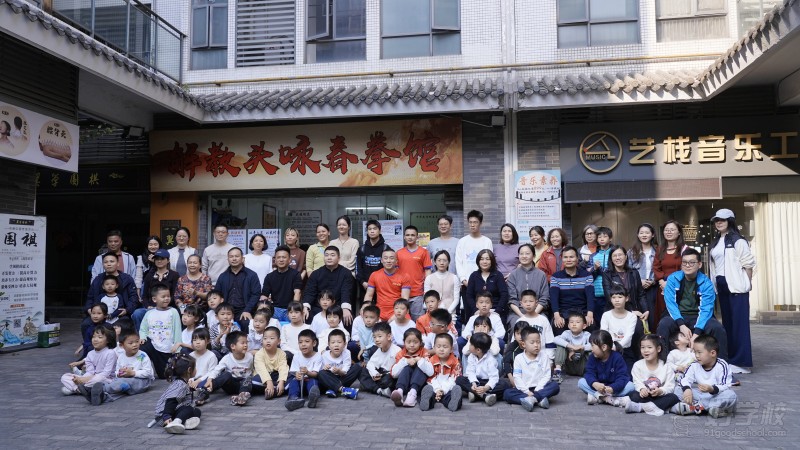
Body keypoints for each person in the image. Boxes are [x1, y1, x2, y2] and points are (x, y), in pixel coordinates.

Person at [656, 248, 729, 363]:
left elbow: (706, 309)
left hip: (699, 316)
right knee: (664, 325)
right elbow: (670, 304)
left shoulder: (706, 282)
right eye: (684, 262)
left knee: (717, 328)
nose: (687, 265)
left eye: (691, 262)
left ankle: (722, 365)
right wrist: (681, 324)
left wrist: (697, 333)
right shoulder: (673, 279)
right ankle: (662, 363)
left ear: (699, 264)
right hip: (677, 315)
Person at [709, 208, 756, 374]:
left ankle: (742, 363)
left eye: (722, 220)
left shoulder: (738, 240)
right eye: (717, 220)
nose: (719, 223)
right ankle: (731, 359)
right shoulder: (716, 242)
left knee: (739, 326)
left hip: (736, 287)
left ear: (730, 221)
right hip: (722, 286)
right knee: (727, 324)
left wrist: (746, 284)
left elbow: (748, 264)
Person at [617, 334, 680, 416]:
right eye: (643, 347)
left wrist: (660, 391)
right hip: (645, 396)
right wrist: (642, 389)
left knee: (673, 397)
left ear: (658, 349)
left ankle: (642, 407)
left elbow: (670, 386)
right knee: (633, 395)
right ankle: (660, 407)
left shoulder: (666, 366)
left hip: (660, 395)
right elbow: (637, 382)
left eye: (649, 347)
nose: (645, 350)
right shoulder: (637, 365)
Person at [676, 335, 737, 418]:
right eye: (695, 352)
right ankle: (711, 409)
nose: (696, 355)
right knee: (678, 389)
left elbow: (725, 385)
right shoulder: (694, 365)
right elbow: (685, 379)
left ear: (712, 353)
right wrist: (687, 390)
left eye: (699, 352)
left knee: (731, 395)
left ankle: (696, 408)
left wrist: (712, 389)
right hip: (700, 395)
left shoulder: (722, 365)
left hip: (716, 396)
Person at [83, 252, 138, 339]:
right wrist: (89, 309)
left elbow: (133, 297)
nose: (108, 264)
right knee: (86, 324)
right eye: (106, 262)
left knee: (124, 325)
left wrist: (127, 310)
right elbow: (90, 297)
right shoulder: (98, 279)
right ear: (103, 264)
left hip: (120, 315)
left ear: (118, 263)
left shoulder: (127, 279)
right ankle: (90, 346)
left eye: (112, 261)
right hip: (98, 314)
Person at [503, 327, 560, 411]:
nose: (536, 345)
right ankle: (538, 400)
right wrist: (526, 391)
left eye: (538, 342)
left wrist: (537, 390)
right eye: (532, 342)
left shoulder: (544, 356)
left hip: (540, 388)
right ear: (523, 344)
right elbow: (517, 377)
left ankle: (533, 399)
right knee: (507, 393)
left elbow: (547, 375)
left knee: (555, 386)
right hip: (524, 390)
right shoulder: (519, 358)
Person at [61, 325, 117, 405]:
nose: (95, 339)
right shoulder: (90, 353)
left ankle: (80, 389)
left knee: (98, 379)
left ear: (108, 340)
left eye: (100, 337)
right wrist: (82, 379)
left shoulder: (110, 353)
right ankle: (80, 390)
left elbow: (106, 373)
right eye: (94, 337)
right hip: (89, 379)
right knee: (65, 377)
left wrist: (84, 380)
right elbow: (90, 371)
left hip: (106, 379)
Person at [199, 330, 254, 406]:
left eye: (246, 343)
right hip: (231, 384)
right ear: (233, 346)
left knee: (248, 379)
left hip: (245, 385)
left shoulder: (250, 357)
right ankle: (205, 393)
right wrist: (210, 379)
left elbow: (253, 371)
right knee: (226, 374)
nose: (245, 345)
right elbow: (217, 370)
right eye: (242, 343)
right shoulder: (226, 358)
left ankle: (241, 397)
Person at [578, 330, 634, 405]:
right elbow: (589, 373)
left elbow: (622, 377)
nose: (591, 349)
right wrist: (594, 383)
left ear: (604, 347)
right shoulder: (592, 357)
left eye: (593, 346)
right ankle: (610, 399)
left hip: (613, 389)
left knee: (631, 386)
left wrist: (613, 388)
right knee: (581, 382)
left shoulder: (617, 358)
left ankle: (598, 397)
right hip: (598, 388)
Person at [302, 246, 354, 325]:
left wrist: (345, 308)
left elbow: (346, 292)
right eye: (326, 255)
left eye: (332, 255)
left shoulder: (346, 273)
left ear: (338, 258)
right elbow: (310, 292)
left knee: (347, 318)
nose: (329, 258)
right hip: (319, 307)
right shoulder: (316, 273)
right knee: (306, 315)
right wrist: (305, 306)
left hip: (337, 307)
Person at [549, 246, 596, 334]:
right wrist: (557, 316)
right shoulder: (556, 277)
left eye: (571, 257)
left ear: (577, 258)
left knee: (591, 324)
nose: (568, 260)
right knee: (557, 325)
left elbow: (590, 297)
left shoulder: (587, 275)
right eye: (565, 257)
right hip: (563, 313)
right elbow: (554, 299)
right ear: (562, 259)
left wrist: (589, 314)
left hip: (582, 312)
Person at [139, 284, 182, 379]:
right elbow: (143, 328)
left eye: (168, 296)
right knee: (142, 348)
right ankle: (141, 370)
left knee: (164, 375)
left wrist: (177, 346)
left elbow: (177, 330)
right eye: (163, 296)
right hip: (153, 344)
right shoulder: (149, 313)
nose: (166, 298)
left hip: (167, 347)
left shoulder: (173, 312)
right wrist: (142, 337)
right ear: (154, 299)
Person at [215, 247, 262, 333]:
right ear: (228, 259)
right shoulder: (223, 276)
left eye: (237, 256)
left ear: (243, 259)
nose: (234, 259)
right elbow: (217, 294)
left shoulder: (251, 275)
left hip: (244, 309)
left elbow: (256, 294)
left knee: (246, 323)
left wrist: (247, 310)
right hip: (226, 310)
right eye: (231, 256)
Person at [456, 332, 509, 406]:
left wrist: (486, 388)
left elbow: (494, 377)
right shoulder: (471, 356)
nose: (469, 346)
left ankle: (475, 394)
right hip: (476, 381)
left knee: (504, 384)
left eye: (471, 344)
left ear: (478, 350)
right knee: (459, 379)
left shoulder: (491, 359)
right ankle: (485, 396)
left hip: (487, 382)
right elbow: (470, 372)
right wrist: (473, 383)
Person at [154, 354, 202, 434]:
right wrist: (166, 416)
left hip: (173, 410)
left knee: (197, 411)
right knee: (189, 409)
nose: (196, 369)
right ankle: (176, 422)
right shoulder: (180, 385)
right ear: (189, 370)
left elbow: (184, 396)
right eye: (195, 368)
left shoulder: (182, 381)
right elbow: (171, 401)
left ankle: (184, 423)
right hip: (164, 415)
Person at [102, 329, 155, 402]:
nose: (135, 345)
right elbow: (116, 371)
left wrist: (133, 373)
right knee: (120, 386)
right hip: (125, 381)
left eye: (137, 341)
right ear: (122, 345)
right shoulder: (121, 357)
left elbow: (148, 373)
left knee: (123, 383)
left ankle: (103, 388)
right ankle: (103, 397)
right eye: (131, 343)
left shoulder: (143, 355)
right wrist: (119, 374)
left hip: (142, 381)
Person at [506, 244, 550, 329]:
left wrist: (534, 314)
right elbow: (512, 299)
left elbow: (544, 298)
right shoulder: (513, 275)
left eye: (527, 253)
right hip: (517, 312)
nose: (524, 256)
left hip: (538, 311)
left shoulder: (541, 275)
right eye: (521, 254)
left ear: (533, 256)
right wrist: (523, 316)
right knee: (516, 325)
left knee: (542, 324)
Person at [134, 249, 179, 330]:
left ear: (168, 260)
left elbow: (174, 295)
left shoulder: (174, 275)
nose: (159, 261)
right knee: (137, 313)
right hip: (151, 307)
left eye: (162, 259)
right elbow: (144, 296)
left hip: (168, 306)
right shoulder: (149, 275)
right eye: (157, 259)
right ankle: (141, 335)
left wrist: (164, 305)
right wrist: (148, 306)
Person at [417, 333, 463, 412]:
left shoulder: (455, 362)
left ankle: (452, 403)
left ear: (451, 349)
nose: (441, 349)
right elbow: (430, 378)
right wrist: (437, 389)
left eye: (445, 347)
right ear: (434, 348)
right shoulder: (431, 360)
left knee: (452, 395)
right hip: (434, 388)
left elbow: (454, 379)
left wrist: (443, 390)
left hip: (448, 389)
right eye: (438, 347)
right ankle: (426, 402)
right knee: (428, 393)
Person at [653, 220, 686, 325]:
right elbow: (656, 267)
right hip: (663, 286)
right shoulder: (660, 249)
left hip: (680, 285)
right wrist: (661, 282)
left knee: (678, 313)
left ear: (679, 232)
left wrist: (672, 282)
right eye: (666, 230)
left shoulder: (684, 249)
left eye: (672, 230)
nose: (669, 232)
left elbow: (687, 268)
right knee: (663, 314)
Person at [363, 248, 411, 321]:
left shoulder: (405, 276)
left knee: (409, 324)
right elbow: (369, 295)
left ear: (396, 261)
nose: (388, 261)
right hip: (379, 311)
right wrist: (365, 308)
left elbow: (404, 299)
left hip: (398, 310)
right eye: (385, 258)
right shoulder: (374, 275)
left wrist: (396, 315)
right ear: (381, 260)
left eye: (391, 258)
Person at [396, 225, 432, 320]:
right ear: (404, 237)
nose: (410, 237)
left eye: (412, 235)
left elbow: (427, 271)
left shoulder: (424, 252)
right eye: (407, 235)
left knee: (418, 321)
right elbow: (395, 273)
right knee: (402, 320)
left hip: (418, 294)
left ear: (417, 237)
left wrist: (427, 290)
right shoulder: (398, 253)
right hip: (401, 293)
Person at [600, 285, 639, 373]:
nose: (617, 300)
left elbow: (629, 335)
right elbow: (604, 333)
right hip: (609, 350)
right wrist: (611, 347)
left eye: (620, 297)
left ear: (627, 298)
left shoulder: (632, 316)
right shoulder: (606, 315)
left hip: (625, 351)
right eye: (614, 297)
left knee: (628, 375)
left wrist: (618, 347)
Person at [627, 223, 658, 331]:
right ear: (638, 235)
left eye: (647, 233)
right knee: (638, 318)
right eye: (641, 233)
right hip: (637, 289)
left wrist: (653, 281)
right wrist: (640, 281)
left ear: (652, 235)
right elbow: (628, 270)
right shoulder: (631, 252)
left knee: (653, 316)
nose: (644, 235)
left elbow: (660, 269)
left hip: (653, 288)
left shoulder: (658, 251)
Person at [261, 245, 302, 324]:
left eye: (284, 257)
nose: (281, 260)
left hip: (289, 309)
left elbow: (297, 293)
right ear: (275, 260)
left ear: (289, 260)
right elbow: (264, 296)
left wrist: (293, 310)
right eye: (278, 257)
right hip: (274, 309)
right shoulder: (269, 276)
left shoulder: (295, 274)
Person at [284, 329, 323, 411]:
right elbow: (293, 371)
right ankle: (293, 398)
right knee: (293, 381)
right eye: (300, 342)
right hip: (300, 382)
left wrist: (307, 372)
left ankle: (312, 398)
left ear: (314, 343)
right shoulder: (297, 355)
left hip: (310, 380)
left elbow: (316, 374)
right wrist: (297, 374)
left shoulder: (318, 356)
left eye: (307, 341)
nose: (303, 344)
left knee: (313, 382)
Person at [358, 322, 400, 397]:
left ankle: (370, 386)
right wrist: (374, 374)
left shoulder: (397, 351)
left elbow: (398, 371)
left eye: (380, 336)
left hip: (390, 375)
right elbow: (370, 364)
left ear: (389, 336)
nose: (376, 340)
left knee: (388, 380)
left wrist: (385, 374)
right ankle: (379, 390)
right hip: (380, 374)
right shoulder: (378, 350)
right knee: (362, 371)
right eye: (374, 337)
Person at [465, 249, 509, 319]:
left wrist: (497, 311)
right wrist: (475, 310)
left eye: (487, 259)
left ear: (492, 261)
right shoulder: (474, 275)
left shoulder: (498, 275)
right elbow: (469, 295)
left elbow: (504, 295)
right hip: (478, 311)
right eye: (482, 259)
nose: (484, 262)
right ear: (478, 261)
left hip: (495, 310)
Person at [317, 329, 360, 399]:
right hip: (331, 378)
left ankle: (333, 389)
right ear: (329, 345)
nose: (336, 345)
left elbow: (346, 369)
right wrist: (325, 368)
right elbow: (321, 370)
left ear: (344, 344)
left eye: (339, 342)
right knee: (321, 373)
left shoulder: (347, 353)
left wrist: (339, 371)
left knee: (357, 367)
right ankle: (343, 390)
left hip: (342, 376)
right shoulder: (324, 355)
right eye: (333, 342)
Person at [455, 210, 493, 290]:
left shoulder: (487, 241)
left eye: (475, 222)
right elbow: (458, 262)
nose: (472, 225)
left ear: (480, 223)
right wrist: (463, 280)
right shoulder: (462, 241)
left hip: (483, 283)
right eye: (470, 222)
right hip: (465, 283)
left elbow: (489, 262)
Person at [514, 290, 555, 359]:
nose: (528, 304)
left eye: (531, 301)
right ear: (521, 303)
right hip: (524, 357)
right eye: (525, 301)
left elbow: (550, 340)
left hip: (543, 356)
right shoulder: (520, 321)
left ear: (536, 303)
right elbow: (515, 341)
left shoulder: (543, 320)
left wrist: (549, 358)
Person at [356, 219, 392, 298]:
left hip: (382, 287)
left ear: (380, 231)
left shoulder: (386, 248)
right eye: (370, 229)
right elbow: (358, 268)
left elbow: (390, 268)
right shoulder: (362, 249)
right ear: (367, 232)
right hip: (365, 287)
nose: (372, 231)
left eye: (375, 229)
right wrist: (363, 282)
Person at [552, 312, 591, 383]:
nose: (574, 324)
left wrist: (581, 348)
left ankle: (593, 373)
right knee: (561, 345)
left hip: (583, 366)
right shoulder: (566, 333)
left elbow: (593, 346)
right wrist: (571, 347)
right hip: (570, 364)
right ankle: (557, 371)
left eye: (577, 322)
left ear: (584, 326)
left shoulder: (587, 335)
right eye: (571, 322)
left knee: (592, 350)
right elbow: (555, 339)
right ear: (568, 325)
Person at [253, 326, 289, 400]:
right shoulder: (259, 354)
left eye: (272, 338)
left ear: (279, 341)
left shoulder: (282, 353)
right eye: (265, 338)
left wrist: (281, 382)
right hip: (263, 378)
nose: (268, 341)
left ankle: (273, 390)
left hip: (276, 377)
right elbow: (261, 370)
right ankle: (276, 390)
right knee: (254, 381)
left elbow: (283, 368)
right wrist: (269, 383)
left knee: (292, 378)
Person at [424, 250, 460, 319]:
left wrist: (448, 312)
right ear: (434, 262)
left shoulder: (454, 278)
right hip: (432, 313)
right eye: (439, 260)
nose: (442, 263)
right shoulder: (429, 278)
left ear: (448, 262)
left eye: (444, 260)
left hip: (450, 314)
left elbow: (456, 299)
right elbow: (426, 297)